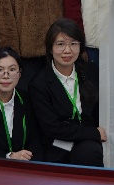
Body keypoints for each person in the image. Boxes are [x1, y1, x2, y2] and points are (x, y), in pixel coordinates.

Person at [29, 19, 105, 166]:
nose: (67, 50)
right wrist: (93, 133)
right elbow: (52, 128)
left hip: (86, 143)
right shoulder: (39, 84)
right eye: (60, 44)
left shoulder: (90, 71)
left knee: (90, 152)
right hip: (57, 143)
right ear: (50, 48)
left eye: (73, 44)